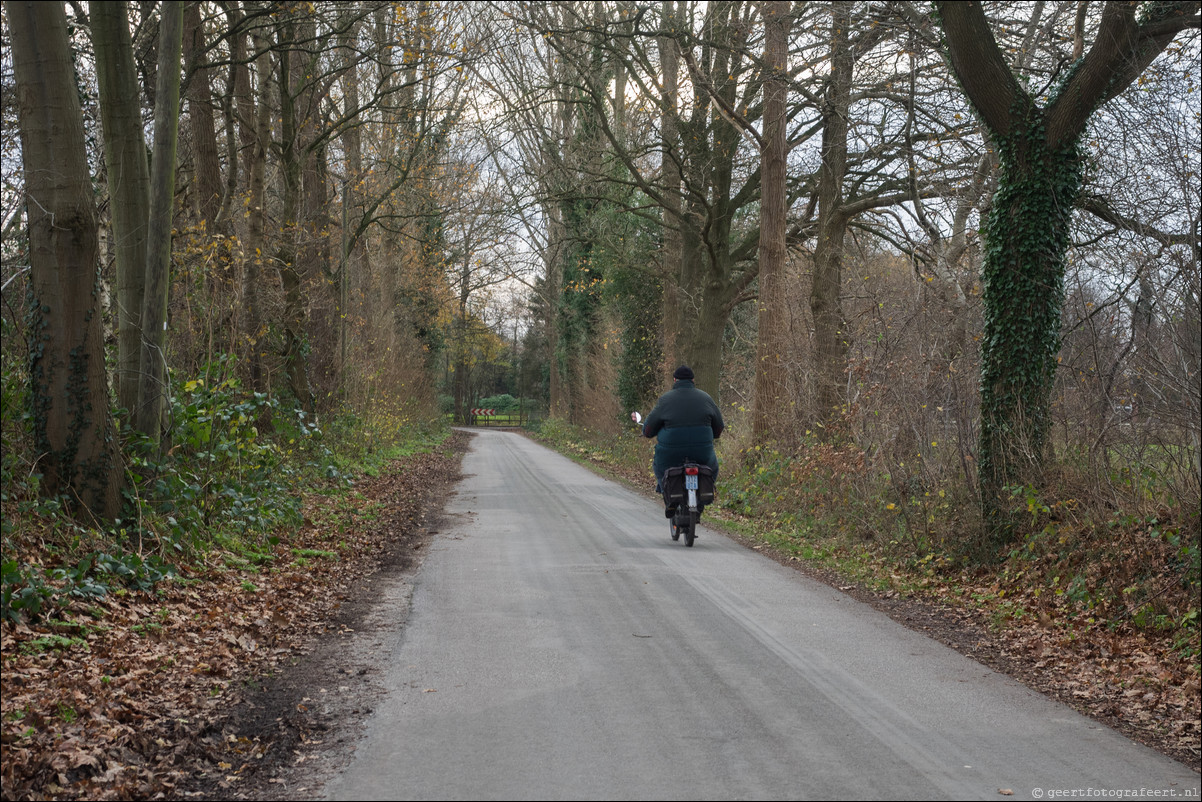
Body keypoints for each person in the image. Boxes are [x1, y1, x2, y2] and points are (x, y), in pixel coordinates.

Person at [641, 365, 724, 511]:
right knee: (713, 467)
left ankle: (667, 495)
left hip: (671, 452)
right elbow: (719, 426)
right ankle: (703, 497)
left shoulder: (665, 400)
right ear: (693, 380)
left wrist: (647, 432)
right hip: (702, 450)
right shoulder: (706, 398)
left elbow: (649, 428)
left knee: (659, 466)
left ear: (674, 380)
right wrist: (714, 436)